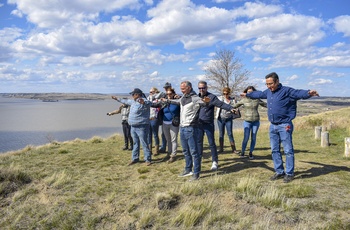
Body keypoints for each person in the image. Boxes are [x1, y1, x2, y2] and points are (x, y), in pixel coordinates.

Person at [243, 72, 319, 183]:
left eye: (271, 84)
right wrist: (248, 95)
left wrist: (308, 93)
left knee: (288, 150)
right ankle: (279, 171)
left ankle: (289, 173)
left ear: (277, 81)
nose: (269, 86)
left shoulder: (287, 91)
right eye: (267, 84)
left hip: (285, 125)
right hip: (273, 126)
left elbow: (298, 93)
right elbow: (259, 94)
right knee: (274, 150)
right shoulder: (268, 92)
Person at [165, 81, 210, 181]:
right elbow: (177, 102)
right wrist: (167, 100)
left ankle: (196, 173)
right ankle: (188, 169)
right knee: (185, 151)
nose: (181, 90)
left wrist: (206, 101)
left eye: (183, 88)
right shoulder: (183, 97)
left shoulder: (195, 98)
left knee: (194, 152)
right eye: (181, 88)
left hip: (191, 128)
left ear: (189, 87)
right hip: (182, 127)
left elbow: (204, 104)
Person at [197, 81, 237, 171]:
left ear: (206, 88)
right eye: (199, 88)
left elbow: (221, 104)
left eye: (203, 88)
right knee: (199, 143)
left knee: (211, 143)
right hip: (198, 124)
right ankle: (198, 160)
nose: (201, 89)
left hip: (208, 124)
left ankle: (215, 161)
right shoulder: (196, 97)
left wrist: (231, 108)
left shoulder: (211, 97)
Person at [112, 88, 153, 166]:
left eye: (133, 94)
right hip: (133, 126)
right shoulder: (133, 102)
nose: (132, 96)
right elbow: (125, 101)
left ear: (137, 95)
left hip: (142, 126)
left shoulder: (144, 101)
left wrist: (143, 102)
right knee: (135, 143)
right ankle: (135, 158)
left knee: (144, 143)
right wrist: (117, 99)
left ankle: (147, 159)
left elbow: (149, 103)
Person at [233, 86, 267, 159]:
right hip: (247, 121)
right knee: (246, 137)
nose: (250, 93)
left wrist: (276, 105)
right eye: (248, 92)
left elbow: (266, 105)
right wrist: (230, 108)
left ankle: (251, 152)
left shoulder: (257, 99)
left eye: (251, 92)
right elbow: (235, 106)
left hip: (256, 121)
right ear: (246, 92)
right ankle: (242, 152)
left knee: (253, 137)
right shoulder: (244, 100)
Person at [215, 87, 240, 155]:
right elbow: (216, 103)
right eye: (224, 93)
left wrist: (236, 111)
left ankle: (234, 149)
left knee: (230, 134)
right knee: (221, 134)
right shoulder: (220, 99)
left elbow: (236, 108)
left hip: (229, 119)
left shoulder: (232, 100)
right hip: (220, 119)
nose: (225, 95)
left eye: (227, 93)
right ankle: (221, 149)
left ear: (229, 93)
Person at [161, 87, 180, 163]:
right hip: (165, 123)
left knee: (173, 139)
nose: (168, 95)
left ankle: (173, 155)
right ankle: (169, 153)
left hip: (173, 123)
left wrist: (179, 97)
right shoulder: (164, 102)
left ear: (173, 94)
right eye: (167, 94)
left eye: (170, 94)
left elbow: (182, 102)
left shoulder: (177, 102)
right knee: (168, 139)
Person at [148, 87, 161, 155]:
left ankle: (156, 150)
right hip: (148, 119)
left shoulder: (157, 100)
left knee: (155, 134)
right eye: (150, 92)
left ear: (155, 92)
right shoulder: (148, 99)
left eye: (152, 92)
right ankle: (149, 149)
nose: (151, 93)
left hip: (155, 118)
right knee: (149, 134)